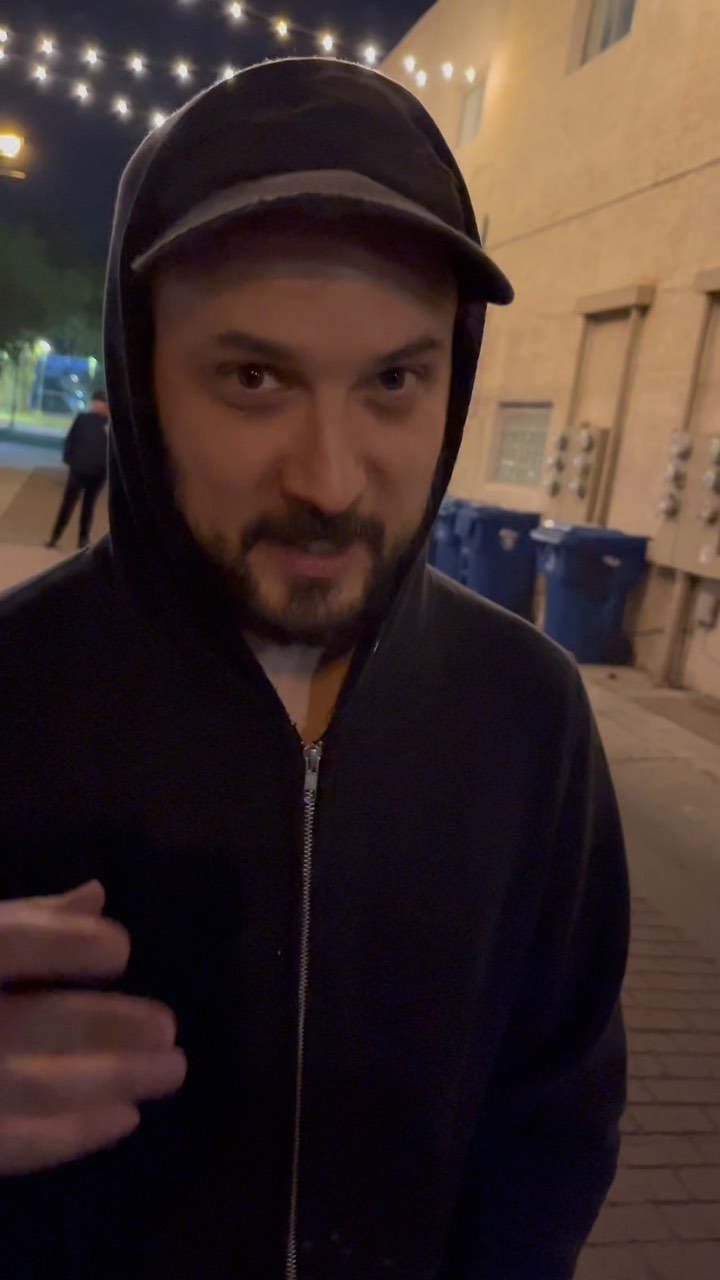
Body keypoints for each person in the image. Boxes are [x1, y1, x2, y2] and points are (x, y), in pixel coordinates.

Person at [0, 58, 630, 1280]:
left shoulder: (530, 715)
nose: (330, 480)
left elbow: (557, 1116)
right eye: (255, 377)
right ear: (142, 378)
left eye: (394, 380)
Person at [45, 389, 109, 550]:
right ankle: (55, 536)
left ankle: (83, 539)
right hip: (78, 470)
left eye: (102, 402)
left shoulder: (110, 424)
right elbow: (70, 439)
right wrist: (69, 459)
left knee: (88, 507)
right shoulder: (83, 419)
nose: (98, 404)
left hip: (98, 473)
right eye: (96, 401)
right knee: (67, 505)